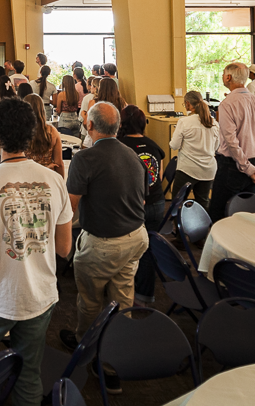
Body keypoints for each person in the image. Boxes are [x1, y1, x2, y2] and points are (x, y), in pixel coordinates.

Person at [0, 98, 73, 406]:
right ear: (32, 133)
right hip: (40, 295)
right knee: (29, 372)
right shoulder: (55, 181)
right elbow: (64, 249)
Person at [64, 101, 149, 359]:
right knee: (123, 299)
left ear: (89, 125)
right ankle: (116, 357)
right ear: (117, 126)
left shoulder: (84, 159)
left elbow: (70, 209)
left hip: (102, 244)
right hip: (136, 237)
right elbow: (142, 199)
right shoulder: (132, 155)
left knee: (90, 301)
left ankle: (85, 347)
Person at [209, 62, 255, 222]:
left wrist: (249, 169)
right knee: (248, 216)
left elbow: (232, 142)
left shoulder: (227, 104)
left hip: (233, 166)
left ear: (228, 77)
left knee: (220, 216)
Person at [117, 105, 166, 305]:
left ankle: (120, 292)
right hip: (157, 203)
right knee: (148, 249)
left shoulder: (119, 146)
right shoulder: (154, 146)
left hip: (131, 206)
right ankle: (145, 296)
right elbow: (159, 177)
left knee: (124, 247)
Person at [171, 91, 218, 211]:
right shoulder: (213, 123)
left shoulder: (184, 122)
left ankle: (180, 228)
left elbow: (174, 145)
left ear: (187, 104)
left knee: (178, 202)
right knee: (203, 202)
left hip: (187, 168)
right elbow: (216, 147)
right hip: (208, 169)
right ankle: (201, 227)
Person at [23, 94, 64, 177]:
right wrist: (61, 183)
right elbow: (59, 163)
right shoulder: (52, 131)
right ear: (42, 110)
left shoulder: (19, 132)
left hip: (26, 176)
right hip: (47, 176)